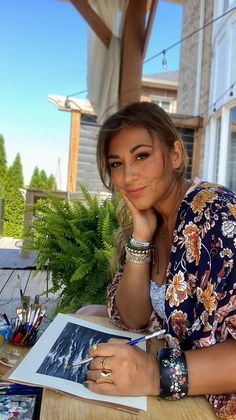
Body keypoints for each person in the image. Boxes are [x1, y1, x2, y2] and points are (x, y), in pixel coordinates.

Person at [81, 102, 236, 419]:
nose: (128, 175)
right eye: (116, 164)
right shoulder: (153, 219)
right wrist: (141, 236)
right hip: (182, 387)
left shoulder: (216, 215)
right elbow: (134, 318)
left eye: (141, 155)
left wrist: (154, 373)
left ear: (175, 155)